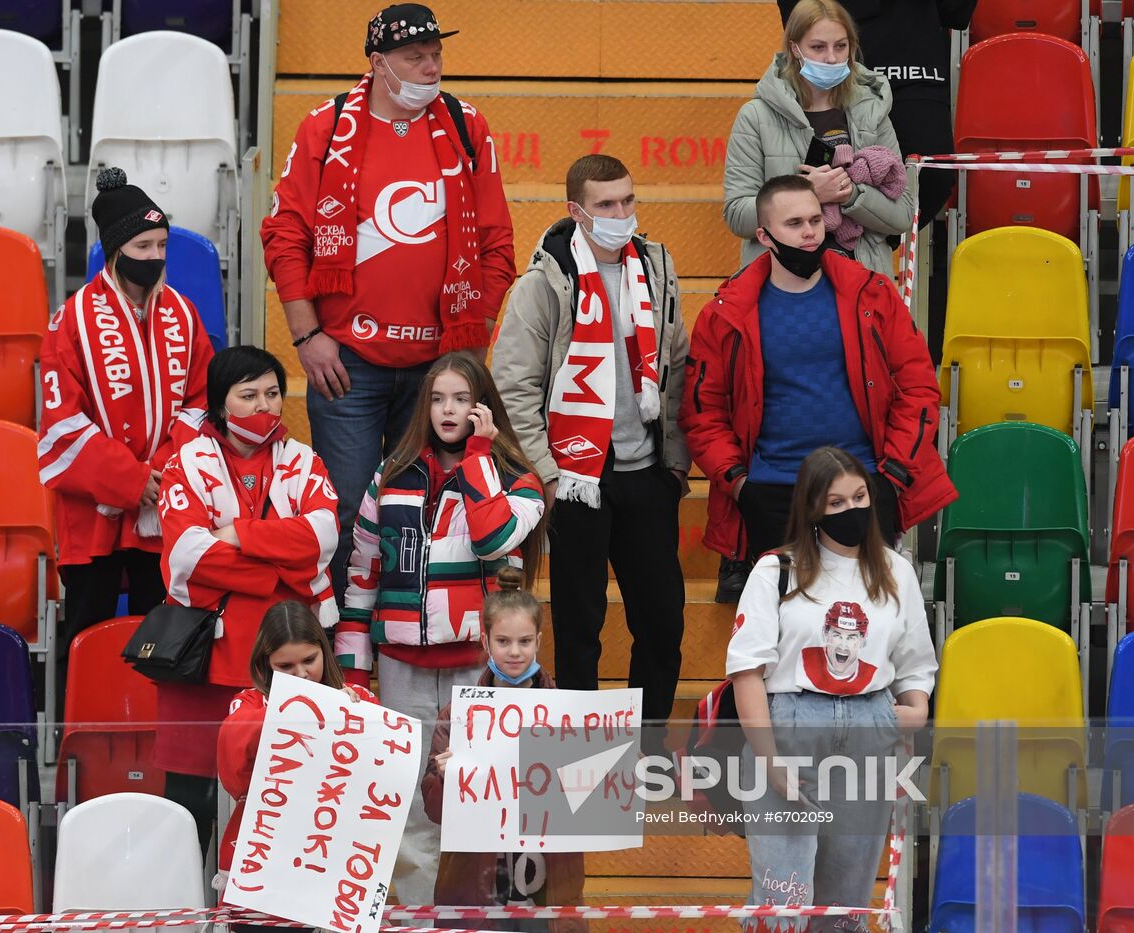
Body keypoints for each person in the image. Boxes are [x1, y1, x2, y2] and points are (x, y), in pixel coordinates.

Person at [262, 3, 515, 605]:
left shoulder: (465, 123)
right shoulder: (326, 126)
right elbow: (285, 233)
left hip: (438, 368)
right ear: (379, 64)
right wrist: (305, 335)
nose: (431, 68)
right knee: (350, 510)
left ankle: (414, 637)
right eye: (414, 58)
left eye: (436, 56)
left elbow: (496, 242)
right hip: (350, 360)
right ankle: (349, 650)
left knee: (431, 513)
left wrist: (470, 343)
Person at [333, 350, 546, 905]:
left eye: (460, 399)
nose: (447, 410)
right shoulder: (391, 474)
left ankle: (475, 915)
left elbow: (494, 540)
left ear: (483, 408)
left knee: (477, 804)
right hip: (401, 668)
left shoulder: (519, 481)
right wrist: (354, 670)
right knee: (408, 806)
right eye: (437, 398)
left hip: (481, 673)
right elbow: (363, 572)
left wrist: (479, 457)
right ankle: (419, 918)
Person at [682, 175, 955, 595]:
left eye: (815, 220)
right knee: (788, 637)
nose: (809, 233)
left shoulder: (873, 294)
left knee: (867, 631)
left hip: (864, 484)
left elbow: (918, 389)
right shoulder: (725, 313)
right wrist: (738, 483)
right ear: (764, 235)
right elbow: (703, 411)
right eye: (794, 224)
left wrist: (893, 474)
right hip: (773, 492)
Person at [492, 153, 688, 734]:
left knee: (663, 622)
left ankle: (644, 749)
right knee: (580, 628)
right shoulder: (543, 281)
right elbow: (512, 383)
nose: (621, 213)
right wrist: (549, 474)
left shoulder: (655, 265)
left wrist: (675, 464)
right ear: (576, 210)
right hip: (577, 483)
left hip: (647, 474)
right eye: (606, 204)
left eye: (628, 200)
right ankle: (581, 758)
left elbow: (675, 364)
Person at [727, 446, 937, 929]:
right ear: (813, 510)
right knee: (784, 898)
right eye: (836, 503)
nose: (852, 511)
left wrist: (914, 710)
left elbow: (914, 665)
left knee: (847, 901)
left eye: (859, 497)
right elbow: (746, 672)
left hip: (869, 729)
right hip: (788, 727)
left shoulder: (896, 570)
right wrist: (769, 759)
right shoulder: (776, 569)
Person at [156, 347, 340, 855]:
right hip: (204, 662)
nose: (265, 405)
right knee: (188, 807)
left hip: (289, 664)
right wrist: (278, 571)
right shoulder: (185, 463)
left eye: (273, 393)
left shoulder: (304, 460)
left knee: (285, 806)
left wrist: (238, 533)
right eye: (249, 394)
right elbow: (186, 559)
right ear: (221, 404)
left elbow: (322, 538)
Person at [38, 167, 214, 655]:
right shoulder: (68, 321)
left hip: (164, 506)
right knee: (88, 640)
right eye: (143, 248)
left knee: (159, 643)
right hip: (92, 515)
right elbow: (61, 425)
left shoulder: (184, 313)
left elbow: (201, 405)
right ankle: (80, 731)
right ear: (115, 252)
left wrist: (160, 475)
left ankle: (151, 734)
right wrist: (132, 482)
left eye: (162, 246)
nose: (155, 258)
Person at [421, 568, 585, 933]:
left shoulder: (570, 714)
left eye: (525, 641)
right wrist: (446, 779)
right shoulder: (457, 715)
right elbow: (434, 811)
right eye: (503, 641)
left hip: (548, 883)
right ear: (485, 641)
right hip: (475, 884)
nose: (515, 652)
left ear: (540, 641)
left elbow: (588, 803)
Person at [724, 0, 915, 277]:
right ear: (794, 49)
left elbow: (903, 215)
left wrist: (850, 195)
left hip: (861, 279)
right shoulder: (756, 116)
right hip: (782, 282)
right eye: (818, 47)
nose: (831, 58)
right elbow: (737, 216)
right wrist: (806, 192)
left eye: (840, 46)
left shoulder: (872, 110)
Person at [214, 601, 376, 899]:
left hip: (332, 849)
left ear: (324, 652)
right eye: (285, 666)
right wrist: (300, 713)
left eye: (309, 660)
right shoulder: (249, 703)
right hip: (265, 847)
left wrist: (350, 714)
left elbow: (377, 779)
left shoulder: (359, 699)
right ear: (266, 664)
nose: (301, 674)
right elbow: (233, 776)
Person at [776, 0, 977, 231]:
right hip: (837, 46)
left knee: (930, 175)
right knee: (826, 174)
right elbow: (798, 17)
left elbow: (958, 12)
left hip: (915, 59)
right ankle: (839, 253)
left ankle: (863, 254)